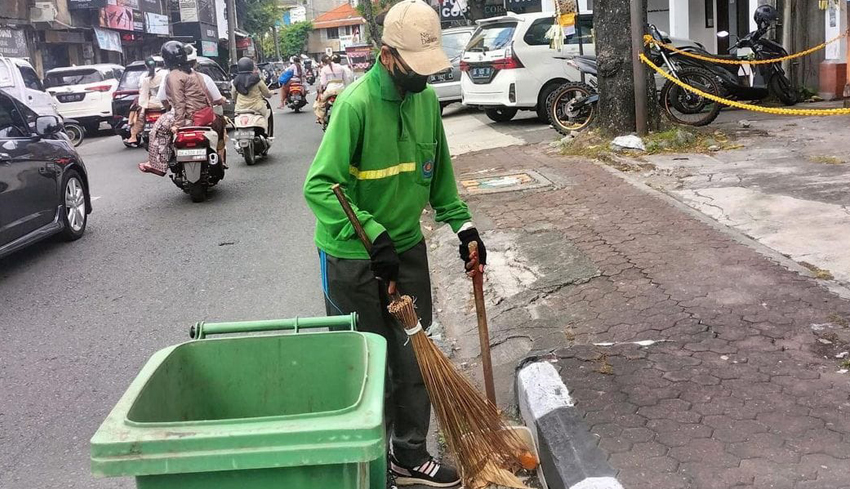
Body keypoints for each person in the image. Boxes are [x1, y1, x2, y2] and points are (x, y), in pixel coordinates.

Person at [303, 1, 485, 487]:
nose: (423, 78)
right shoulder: (356, 104)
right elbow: (320, 186)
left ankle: (408, 453)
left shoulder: (425, 101)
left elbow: (439, 175)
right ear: (388, 57)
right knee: (368, 363)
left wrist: (463, 227)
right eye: (414, 68)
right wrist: (372, 234)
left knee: (413, 358)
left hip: (405, 250)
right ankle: (370, 461)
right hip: (351, 258)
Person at [139, 41, 224, 176]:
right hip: (203, 115)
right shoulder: (194, 74)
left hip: (187, 116)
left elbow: (179, 103)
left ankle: (156, 164)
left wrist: (177, 125)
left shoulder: (173, 76)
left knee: (157, 129)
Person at [124, 56, 163, 145]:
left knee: (138, 113)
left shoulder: (145, 78)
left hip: (153, 103)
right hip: (164, 103)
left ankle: (133, 134)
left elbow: (143, 95)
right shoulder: (163, 75)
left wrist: (142, 107)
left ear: (146, 66)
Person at [232, 57, 274, 135]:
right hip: (257, 107)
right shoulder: (257, 79)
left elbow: (233, 94)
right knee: (267, 113)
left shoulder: (236, 80)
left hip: (241, 108)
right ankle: (265, 133)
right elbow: (266, 93)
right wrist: (271, 93)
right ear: (251, 67)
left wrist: (235, 101)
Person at [313, 54, 352, 123]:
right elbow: (346, 81)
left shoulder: (324, 69)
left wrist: (320, 91)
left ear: (324, 62)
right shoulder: (341, 68)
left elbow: (323, 83)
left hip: (329, 91)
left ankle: (320, 118)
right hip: (341, 90)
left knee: (320, 103)